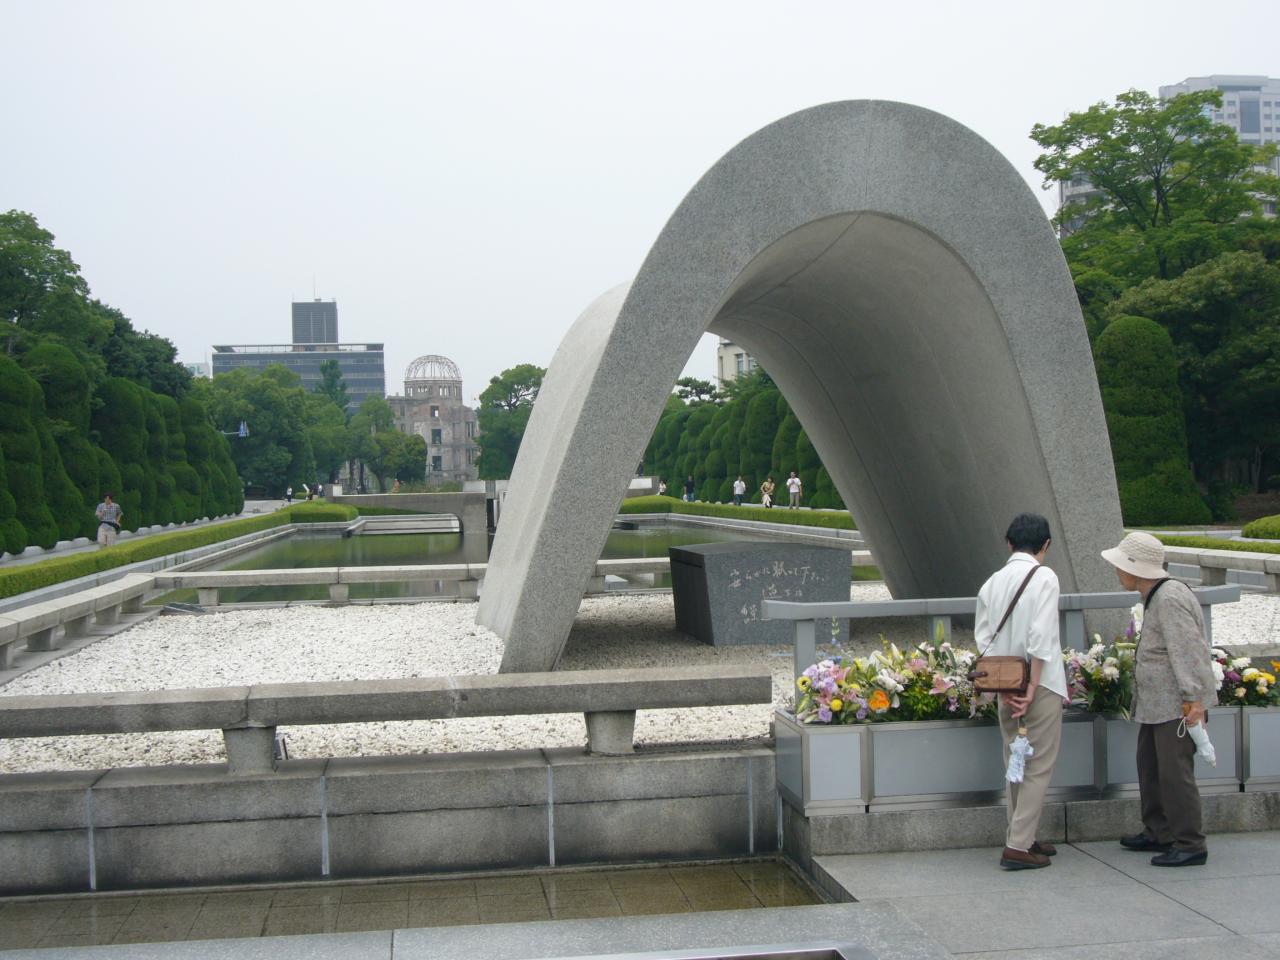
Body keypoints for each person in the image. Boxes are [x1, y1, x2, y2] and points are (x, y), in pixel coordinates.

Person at [1101, 531, 1214, 867]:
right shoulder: (1160, 595)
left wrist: (1193, 698)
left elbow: (1187, 650)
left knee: (1174, 772)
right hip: (1156, 703)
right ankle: (1159, 830)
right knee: (1151, 767)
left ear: (1138, 568)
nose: (1116, 571)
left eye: (1121, 565)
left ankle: (1190, 842)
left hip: (1173, 705)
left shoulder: (1168, 598)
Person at [974, 512, 1065, 870]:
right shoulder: (1045, 577)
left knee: (1014, 761)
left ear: (1009, 543)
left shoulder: (992, 582)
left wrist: (1006, 685)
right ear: (1046, 545)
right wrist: (1030, 684)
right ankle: (1018, 845)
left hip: (1003, 684)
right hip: (1039, 684)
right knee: (1038, 765)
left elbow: (983, 638)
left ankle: (1020, 833)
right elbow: (1041, 638)